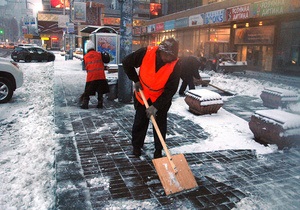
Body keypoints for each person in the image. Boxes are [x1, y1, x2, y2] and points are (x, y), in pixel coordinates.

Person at [122, 38, 181, 159]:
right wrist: (136, 79)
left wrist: (156, 106)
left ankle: (158, 151)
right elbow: (126, 62)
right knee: (140, 122)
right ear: (161, 51)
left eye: (171, 57)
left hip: (160, 98)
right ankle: (136, 147)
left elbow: (171, 89)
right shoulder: (146, 53)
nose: (168, 59)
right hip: (143, 95)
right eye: (167, 56)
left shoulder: (176, 64)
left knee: (160, 125)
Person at [80, 40, 110, 109]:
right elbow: (104, 61)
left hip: (91, 76)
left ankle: (85, 104)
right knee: (100, 91)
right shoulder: (99, 54)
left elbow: (87, 66)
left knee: (87, 91)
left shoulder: (86, 57)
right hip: (100, 76)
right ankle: (100, 103)